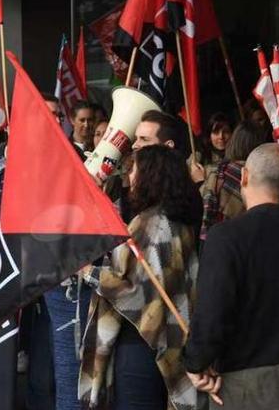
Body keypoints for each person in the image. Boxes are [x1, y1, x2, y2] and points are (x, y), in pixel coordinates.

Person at [183, 144, 279, 407]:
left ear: (244, 177)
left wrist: (196, 361)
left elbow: (212, 311)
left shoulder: (225, 237)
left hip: (241, 385)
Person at [79, 144, 200, 409]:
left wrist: (90, 273)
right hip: (170, 343)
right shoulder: (180, 222)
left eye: (135, 169)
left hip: (141, 343)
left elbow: (136, 290)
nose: (129, 175)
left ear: (151, 176)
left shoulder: (149, 224)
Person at [199, 120, 271, 240]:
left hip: (216, 240)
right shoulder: (262, 177)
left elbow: (203, 205)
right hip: (248, 240)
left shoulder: (217, 171)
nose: (221, 136)